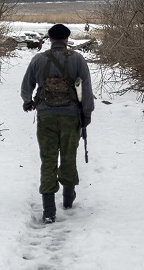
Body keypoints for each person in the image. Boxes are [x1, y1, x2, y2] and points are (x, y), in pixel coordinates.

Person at [21, 23, 94, 223]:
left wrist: (28, 102)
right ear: (67, 38)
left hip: (46, 116)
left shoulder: (38, 59)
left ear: (50, 38)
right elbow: (86, 89)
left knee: (48, 159)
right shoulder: (77, 59)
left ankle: (49, 209)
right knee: (69, 156)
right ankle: (68, 199)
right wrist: (86, 114)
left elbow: (26, 87)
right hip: (71, 116)